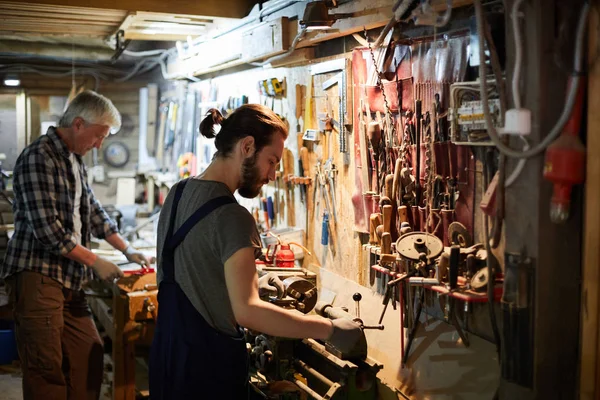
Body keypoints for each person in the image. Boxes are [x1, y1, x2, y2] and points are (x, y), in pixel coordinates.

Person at [149, 104, 363, 399]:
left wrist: (250, 282)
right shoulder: (233, 217)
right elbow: (248, 311)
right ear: (247, 146)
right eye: (272, 161)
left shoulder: (177, 192)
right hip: (207, 375)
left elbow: (190, 273)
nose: (272, 175)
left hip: (167, 362)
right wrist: (329, 329)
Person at [1, 90, 151, 400]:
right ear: (79, 124)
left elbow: (93, 212)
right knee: (46, 370)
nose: (99, 145)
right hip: (38, 277)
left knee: (89, 354)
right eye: (98, 136)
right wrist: (96, 261)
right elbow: (49, 231)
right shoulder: (38, 157)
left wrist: (126, 249)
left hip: (70, 280)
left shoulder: (74, 159)